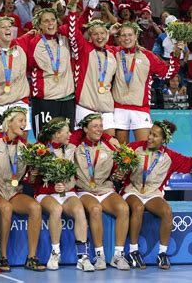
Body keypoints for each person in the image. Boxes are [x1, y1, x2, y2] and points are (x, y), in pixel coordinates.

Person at [122, 120, 192, 269]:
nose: (150, 137)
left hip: (153, 193)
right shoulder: (135, 148)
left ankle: (162, 253)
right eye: (150, 133)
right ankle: (133, 251)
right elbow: (118, 156)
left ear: (164, 140)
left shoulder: (171, 157)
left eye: (155, 135)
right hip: (132, 190)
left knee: (166, 211)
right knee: (137, 207)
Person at [0, 107, 46, 272]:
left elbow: (29, 178)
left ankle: (32, 257)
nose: (24, 124)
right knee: (5, 208)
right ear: (9, 122)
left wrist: (33, 174)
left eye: (25, 121)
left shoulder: (26, 147)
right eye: (21, 120)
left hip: (14, 191)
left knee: (35, 207)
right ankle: (3, 257)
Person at [34, 117, 95, 272]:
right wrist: (40, 176)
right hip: (45, 192)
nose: (70, 135)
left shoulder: (70, 145)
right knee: (56, 210)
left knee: (79, 211)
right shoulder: (40, 149)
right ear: (56, 134)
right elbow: (33, 179)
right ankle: (55, 253)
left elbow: (88, 127)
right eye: (67, 132)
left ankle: (83, 257)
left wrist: (108, 137)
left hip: (67, 192)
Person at [74, 114, 131, 271]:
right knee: (95, 209)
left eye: (101, 126)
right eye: (95, 126)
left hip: (105, 189)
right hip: (84, 189)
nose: (99, 129)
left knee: (123, 209)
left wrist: (119, 174)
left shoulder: (110, 147)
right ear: (85, 129)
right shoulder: (76, 145)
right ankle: (99, 255)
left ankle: (118, 255)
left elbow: (116, 171)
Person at [111, 22, 183, 144]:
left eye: (129, 35)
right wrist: (109, 33)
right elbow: (96, 46)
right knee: (120, 151)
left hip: (140, 109)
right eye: (123, 35)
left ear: (136, 35)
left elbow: (167, 73)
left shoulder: (147, 56)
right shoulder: (113, 52)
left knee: (145, 149)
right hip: (119, 108)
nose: (126, 38)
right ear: (119, 37)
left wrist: (175, 56)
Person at [19, 8, 75, 137]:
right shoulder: (34, 43)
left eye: (53, 20)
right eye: (46, 21)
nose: (50, 23)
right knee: (45, 141)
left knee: (67, 140)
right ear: (39, 25)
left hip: (67, 100)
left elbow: (74, 29)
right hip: (46, 100)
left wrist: (71, 10)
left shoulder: (65, 39)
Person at [66, 0, 117, 137]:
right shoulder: (84, 49)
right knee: (80, 145)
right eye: (95, 34)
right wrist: (76, 10)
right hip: (85, 107)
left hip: (106, 108)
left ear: (107, 35)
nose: (99, 37)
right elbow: (73, 32)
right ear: (90, 36)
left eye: (102, 33)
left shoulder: (113, 53)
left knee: (111, 146)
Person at [0, 17, 31, 135]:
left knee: (22, 145)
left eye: (9, 26)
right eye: (3, 27)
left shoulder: (21, 46)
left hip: (20, 101)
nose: (7, 29)